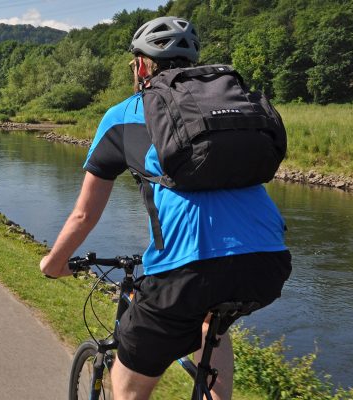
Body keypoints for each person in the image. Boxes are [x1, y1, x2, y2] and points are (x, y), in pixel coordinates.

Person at [39, 16, 292, 400]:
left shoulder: (123, 115)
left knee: (127, 388)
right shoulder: (230, 109)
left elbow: (84, 214)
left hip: (187, 270)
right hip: (268, 261)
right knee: (212, 326)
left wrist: (54, 264)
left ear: (141, 66)